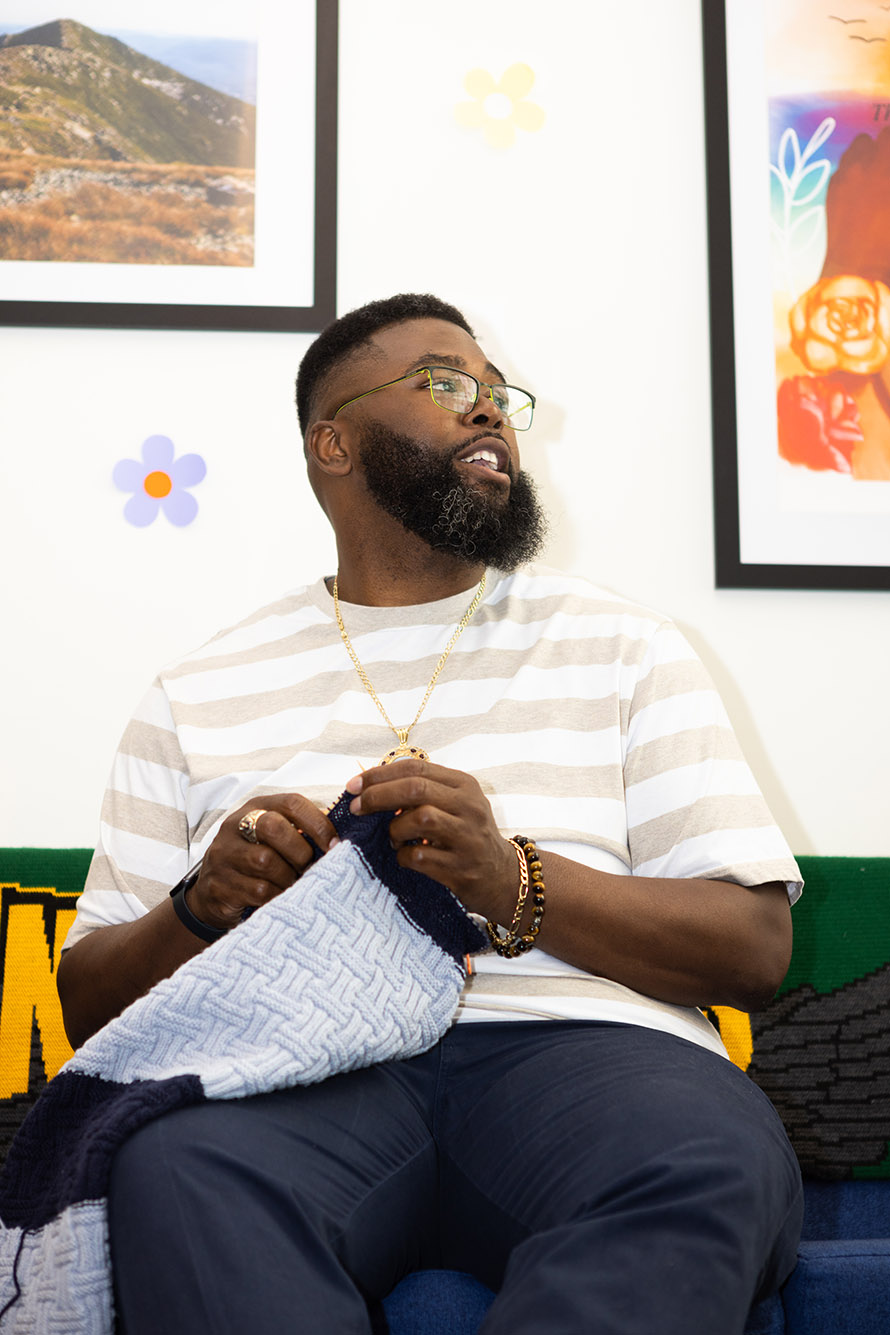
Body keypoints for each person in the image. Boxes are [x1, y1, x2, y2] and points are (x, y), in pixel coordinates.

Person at [58, 293, 804, 1335]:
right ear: (333, 443)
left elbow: (752, 947)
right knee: (177, 1165)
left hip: (589, 1063)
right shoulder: (198, 689)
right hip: (305, 1070)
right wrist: (199, 910)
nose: (489, 411)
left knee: (704, 1162)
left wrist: (512, 882)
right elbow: (88, 1011)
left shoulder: (628, 646)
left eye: (499, 397)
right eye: (447, 384)